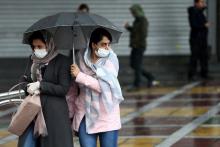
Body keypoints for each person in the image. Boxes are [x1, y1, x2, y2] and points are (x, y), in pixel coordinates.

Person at [67, 28, 124, 147]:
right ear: (93, 45)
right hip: (85, 114)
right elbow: (72, 89)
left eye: (108, 44)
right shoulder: (79, 59)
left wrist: (80, 76)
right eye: (103, 44)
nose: (107, 48)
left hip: (107, 114)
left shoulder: (110, 60)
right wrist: (70, 113)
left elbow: (104, 87)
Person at [18, 30, 73, 147]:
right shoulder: (32, 60)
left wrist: (40, 85)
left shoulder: (62, 61)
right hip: (32, 111)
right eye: (34, 47)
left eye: (40, 46)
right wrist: (27, 87)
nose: (36, 50)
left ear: (49, 44)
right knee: (26, 143)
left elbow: (63, 88)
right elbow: (23, 79)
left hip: (54, 113)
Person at [124, 4, 159, 90]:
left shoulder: (143, 20)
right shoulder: (137, 20)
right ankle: (151, 78)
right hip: (135, 46)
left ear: (137, 11)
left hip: (139, 46)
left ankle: (137, 85)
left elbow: (143, 34)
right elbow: (136, 31)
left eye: (133, 12)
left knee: (137, 65)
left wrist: (136, 42)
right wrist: (128, 28)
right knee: (134, 65)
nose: (132, 14)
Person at [187, 0, 210, 80]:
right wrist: (204, 25)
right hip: (195, 39)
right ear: (196, 3)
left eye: (203, 2)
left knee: (204, 57)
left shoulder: (200, 12)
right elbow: (194, 25)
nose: (203, 3)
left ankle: (204, 74)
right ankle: (192, 75)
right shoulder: (193, 12)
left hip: (202, 39)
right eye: (201, 2)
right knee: (194, 57)